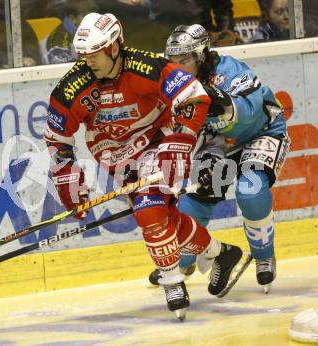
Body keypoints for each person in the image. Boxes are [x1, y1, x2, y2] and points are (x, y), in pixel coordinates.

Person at [44, 12, 245, 319]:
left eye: (95, 54)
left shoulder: (147, 66)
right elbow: (58, 137)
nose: (89, 62)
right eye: (84, 56)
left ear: (114, 47)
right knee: (164, 218)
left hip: (158, 143)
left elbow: (194, 95)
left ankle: (173, 282)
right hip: (116, 158)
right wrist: (66, 175)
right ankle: (220, 253)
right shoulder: (72, 87)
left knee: (149, 209)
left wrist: (180, 142)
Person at [149, 24, 290, 294]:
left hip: (261, 133)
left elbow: (250, 111)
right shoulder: (173, 87)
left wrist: (221, 101)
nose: (177, 68)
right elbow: (187, 133)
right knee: (199, 197)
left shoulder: (228, 71)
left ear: (201, 56)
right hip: (220, 145)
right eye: (173, 61)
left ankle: (264, 257)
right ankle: (184, 261)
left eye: (185, 60)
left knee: (251, 190)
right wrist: (203, 160)